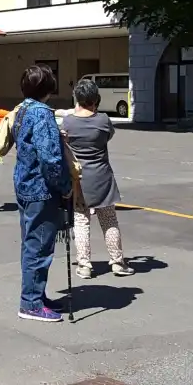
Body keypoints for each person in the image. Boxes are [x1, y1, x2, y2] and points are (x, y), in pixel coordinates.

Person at [12, 64, 73, 322]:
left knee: (31, 243)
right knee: (39, 246)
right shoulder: (43, 114)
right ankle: (31, 303)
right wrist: (65, 186)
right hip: (41, 188)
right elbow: (50, 158)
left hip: (24, 183)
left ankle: (36, 294)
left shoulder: (21, 110)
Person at [61, 79, 134, 278]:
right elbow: (108, 136)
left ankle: (84, 265)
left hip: (80, 178)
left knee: (81, 220)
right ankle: (118, 261)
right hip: (102, 176)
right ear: (96, 99)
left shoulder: (69, 122)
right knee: (109, 219)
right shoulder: (103, 120)